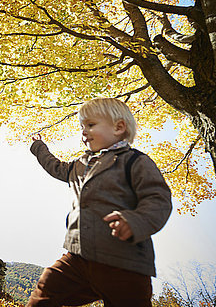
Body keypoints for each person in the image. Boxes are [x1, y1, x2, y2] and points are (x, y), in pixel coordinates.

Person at [27, 98, 172, 307]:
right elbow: (54, 166)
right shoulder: (79, 165)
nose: (83, 132)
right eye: (82, 127)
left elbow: (158, 199)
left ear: (119, 127)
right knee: (48, 284)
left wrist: (134, 221)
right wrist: (38, 146)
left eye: (91, 125)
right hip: (79, 256)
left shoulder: (134, 161)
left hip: (124, 262)